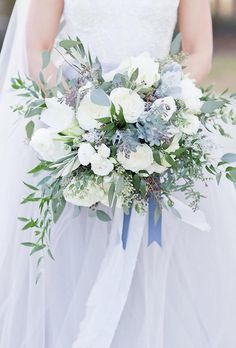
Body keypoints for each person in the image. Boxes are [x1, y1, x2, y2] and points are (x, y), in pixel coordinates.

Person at [0, 0, 236, 347]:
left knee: (156, 279)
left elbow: (198, 49)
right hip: (75, 127)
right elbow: (38, 46)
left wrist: (161, 107)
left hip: (158, 125)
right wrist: (74, 114)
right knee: (70, 269)